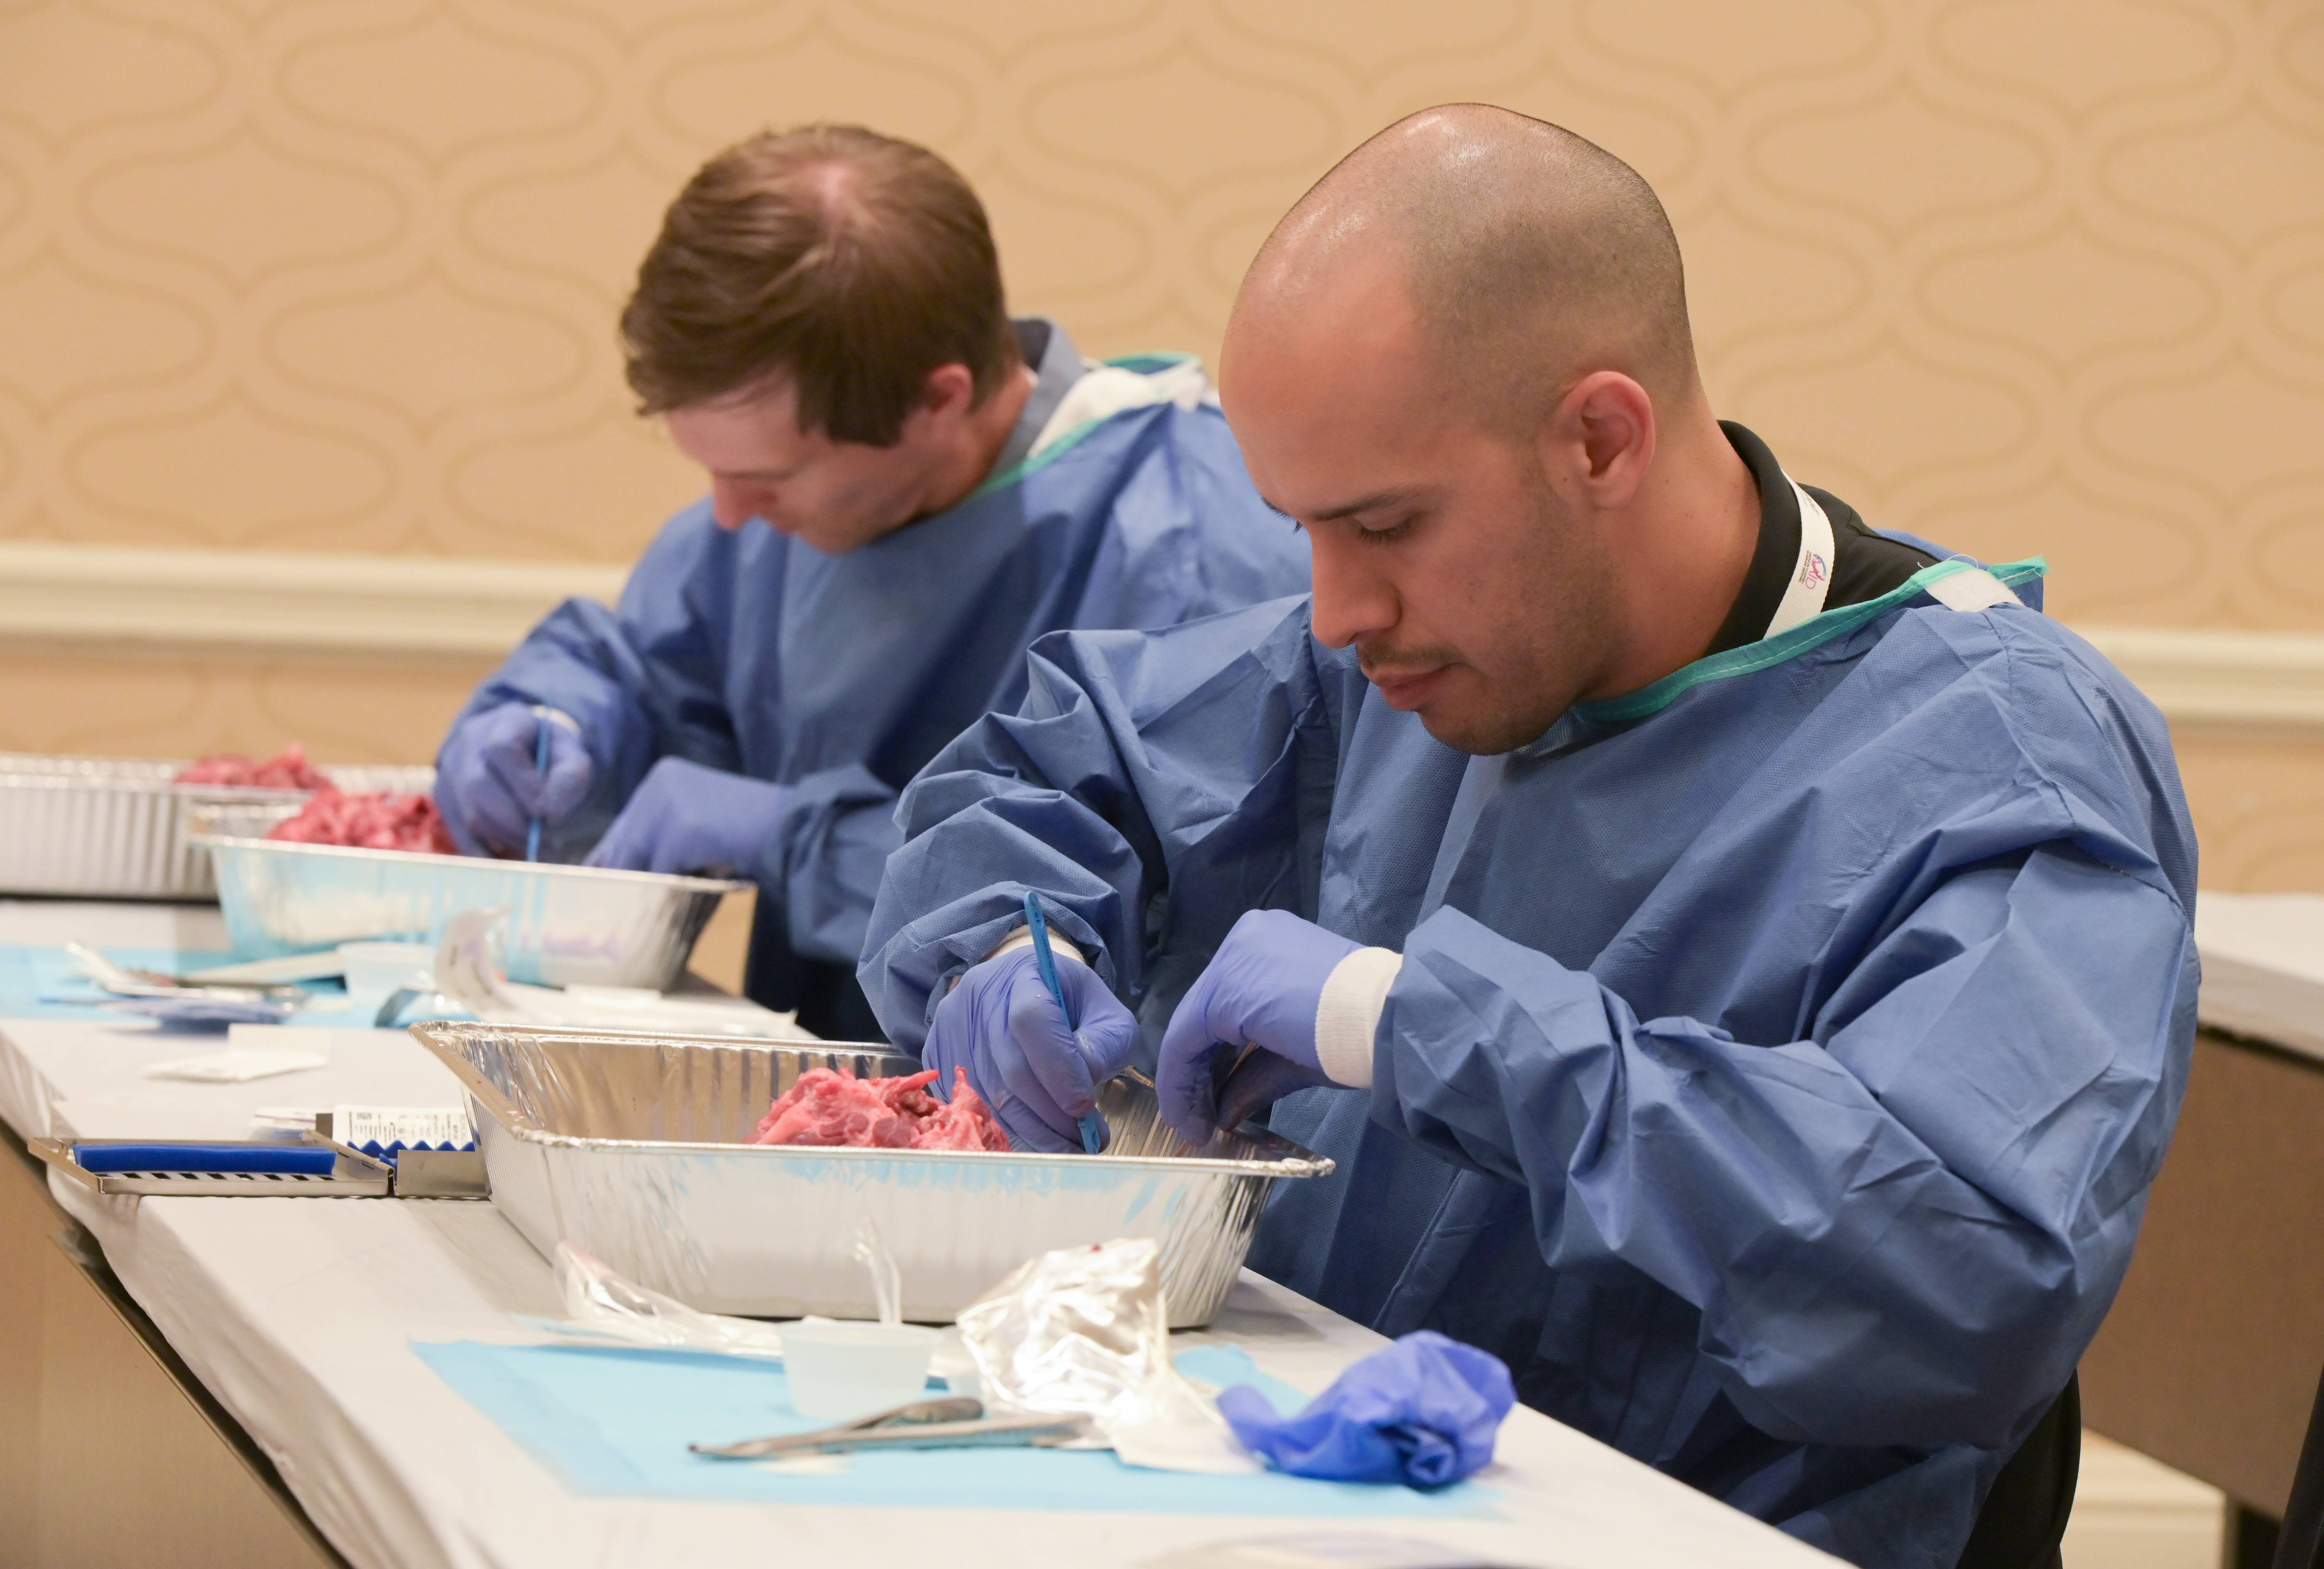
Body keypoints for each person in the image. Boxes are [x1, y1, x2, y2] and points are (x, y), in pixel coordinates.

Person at [858, 106, 2196, 1569]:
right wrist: (999, 942)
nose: (1331, 609)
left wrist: (1408, 1021)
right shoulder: (1386, 666)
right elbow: (1060, 761)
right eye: (1300, 528)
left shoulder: (1996, 757)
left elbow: (1952, 1271)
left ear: (1599, 438)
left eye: (1384, 522)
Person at [433, 125, 1309, 1039]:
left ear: (939, 398)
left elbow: (1180, 948)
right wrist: (558, 725)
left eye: (770, 478)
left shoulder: (1199, 552)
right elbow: (653, 679)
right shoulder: (791, 518)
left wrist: (809, 844)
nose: (730, 516)